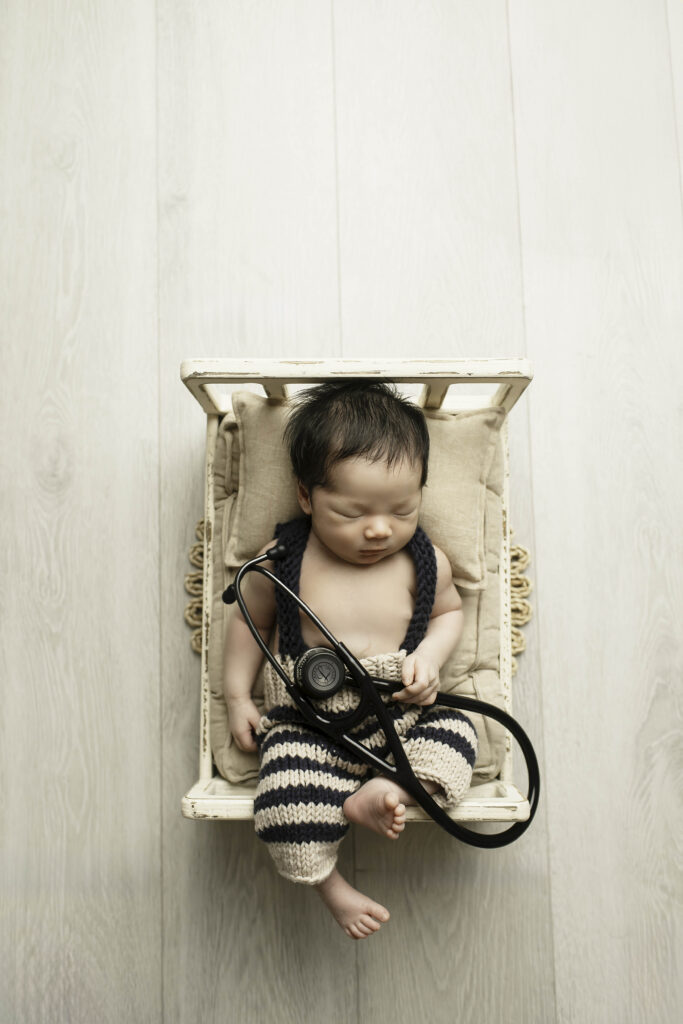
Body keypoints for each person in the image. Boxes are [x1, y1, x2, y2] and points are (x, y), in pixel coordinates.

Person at [222, 380, 478, 940]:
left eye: (402, 508)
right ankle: (331, 887)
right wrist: (237, 695)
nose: (380, 528)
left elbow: (448, 615)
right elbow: (248, 620)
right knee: (285, 792)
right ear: (308, 497)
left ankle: (386, 792)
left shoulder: (423, 560)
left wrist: (430, 660)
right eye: (352, 511)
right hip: (310, 721)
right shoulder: (285, 558)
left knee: (459, 736)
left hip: (400, 712)